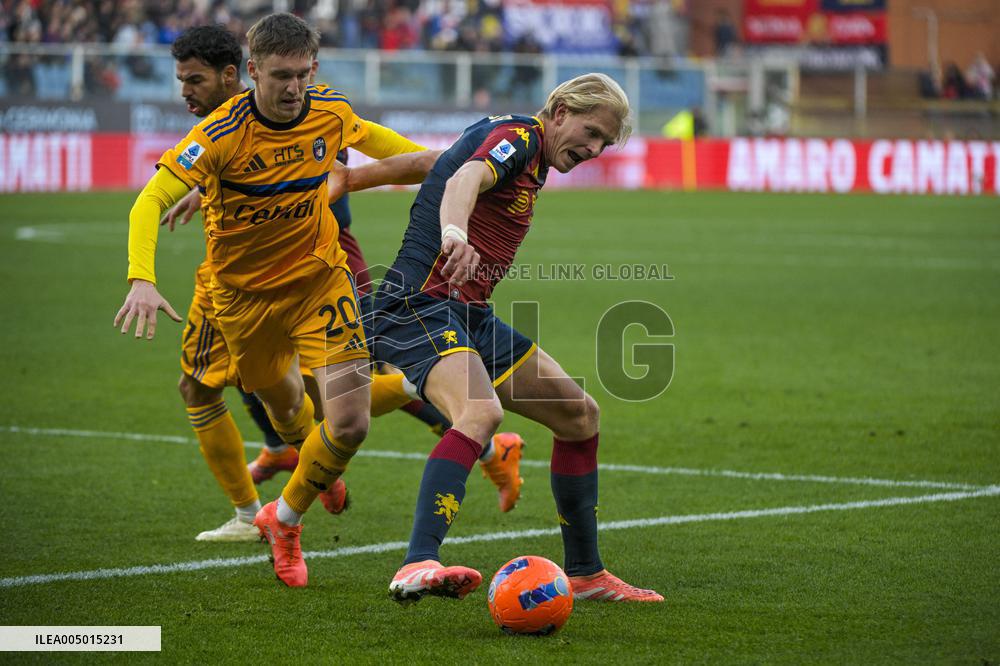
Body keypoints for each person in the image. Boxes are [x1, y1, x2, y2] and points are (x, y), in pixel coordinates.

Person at [162, 24, 526, 543]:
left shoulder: (298, 110)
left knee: (329, 387)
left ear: (235, 75)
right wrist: (207, 188)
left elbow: (348, 167)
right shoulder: (236, 131)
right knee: (294, 387)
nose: (186, 92)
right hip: (257, 277)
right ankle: (303, 463)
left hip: (319, 262)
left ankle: (268, 501)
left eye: (193, 80)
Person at [114, 13, 440, 587]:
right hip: (243, 303)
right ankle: (317, 469)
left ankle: (283, 520)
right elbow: (148, 201)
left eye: (304, 75)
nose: (294, 89)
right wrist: (142, 277)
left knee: (350, 422)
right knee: (290, 412)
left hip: (320, 283)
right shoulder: (218, 134)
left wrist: (452, 172)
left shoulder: (330, 112)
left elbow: (395, 148)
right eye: (281, 76)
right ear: (253, 72)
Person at [368, 73, 664, 604]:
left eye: (603, 143)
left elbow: (433, 162)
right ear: (560, 110)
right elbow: (463, 178)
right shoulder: (520, 137)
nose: (594, 149)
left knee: (579, 416)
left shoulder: (523, 150)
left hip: (467, 313)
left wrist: (348, 181)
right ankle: (417, 563)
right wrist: (454, 234)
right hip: (419, 305)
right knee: (480, 414)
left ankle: (587, 575)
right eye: (591, 131)